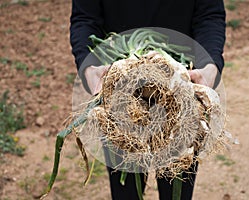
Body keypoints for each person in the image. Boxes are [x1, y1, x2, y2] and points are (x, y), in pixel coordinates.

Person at [70, 0, 226, 199]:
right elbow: (85, 18)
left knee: (177, 187)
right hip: (120, 95)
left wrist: (209, 65)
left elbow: (209, 15)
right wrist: (88, 66)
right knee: (125, 191)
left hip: (181, 90)